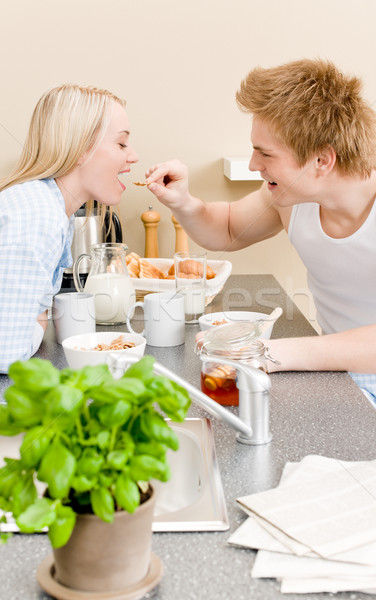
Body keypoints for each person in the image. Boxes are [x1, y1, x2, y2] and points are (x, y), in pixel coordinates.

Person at [145, 58, 376, 405]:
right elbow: (226, 228)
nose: (254, 164)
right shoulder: (291, 198)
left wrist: (269, 352)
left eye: (265, 153)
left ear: (322, 161)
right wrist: (183, 202)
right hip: (341, 376)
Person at [0, 84, 138, 373]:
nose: (133, 156)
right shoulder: (35, 217)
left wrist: (36, 320)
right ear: (80, 150)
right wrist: (38, 323)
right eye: (122, 144)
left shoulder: (47, 208)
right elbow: (4, 356)